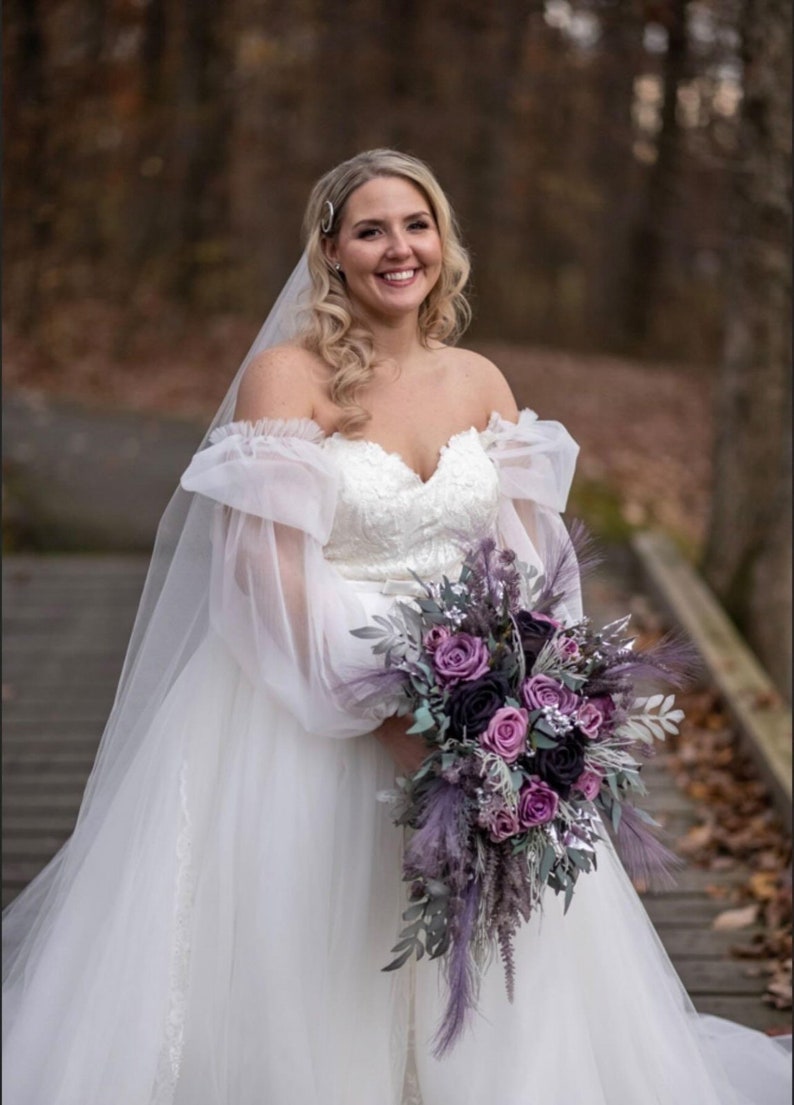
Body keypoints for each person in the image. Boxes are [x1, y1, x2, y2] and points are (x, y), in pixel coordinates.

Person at [2, 149, 789, 1105]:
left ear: (443, 243)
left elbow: (539, 566)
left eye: (415, 225)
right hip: (309, 702)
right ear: (331, 251)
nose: (397, 247)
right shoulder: (285, 379)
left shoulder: (480, 380)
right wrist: (381, 708)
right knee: (318, 946)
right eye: (370, 229)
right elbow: (263, 575)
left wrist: (532, 694)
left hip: (477, 703)